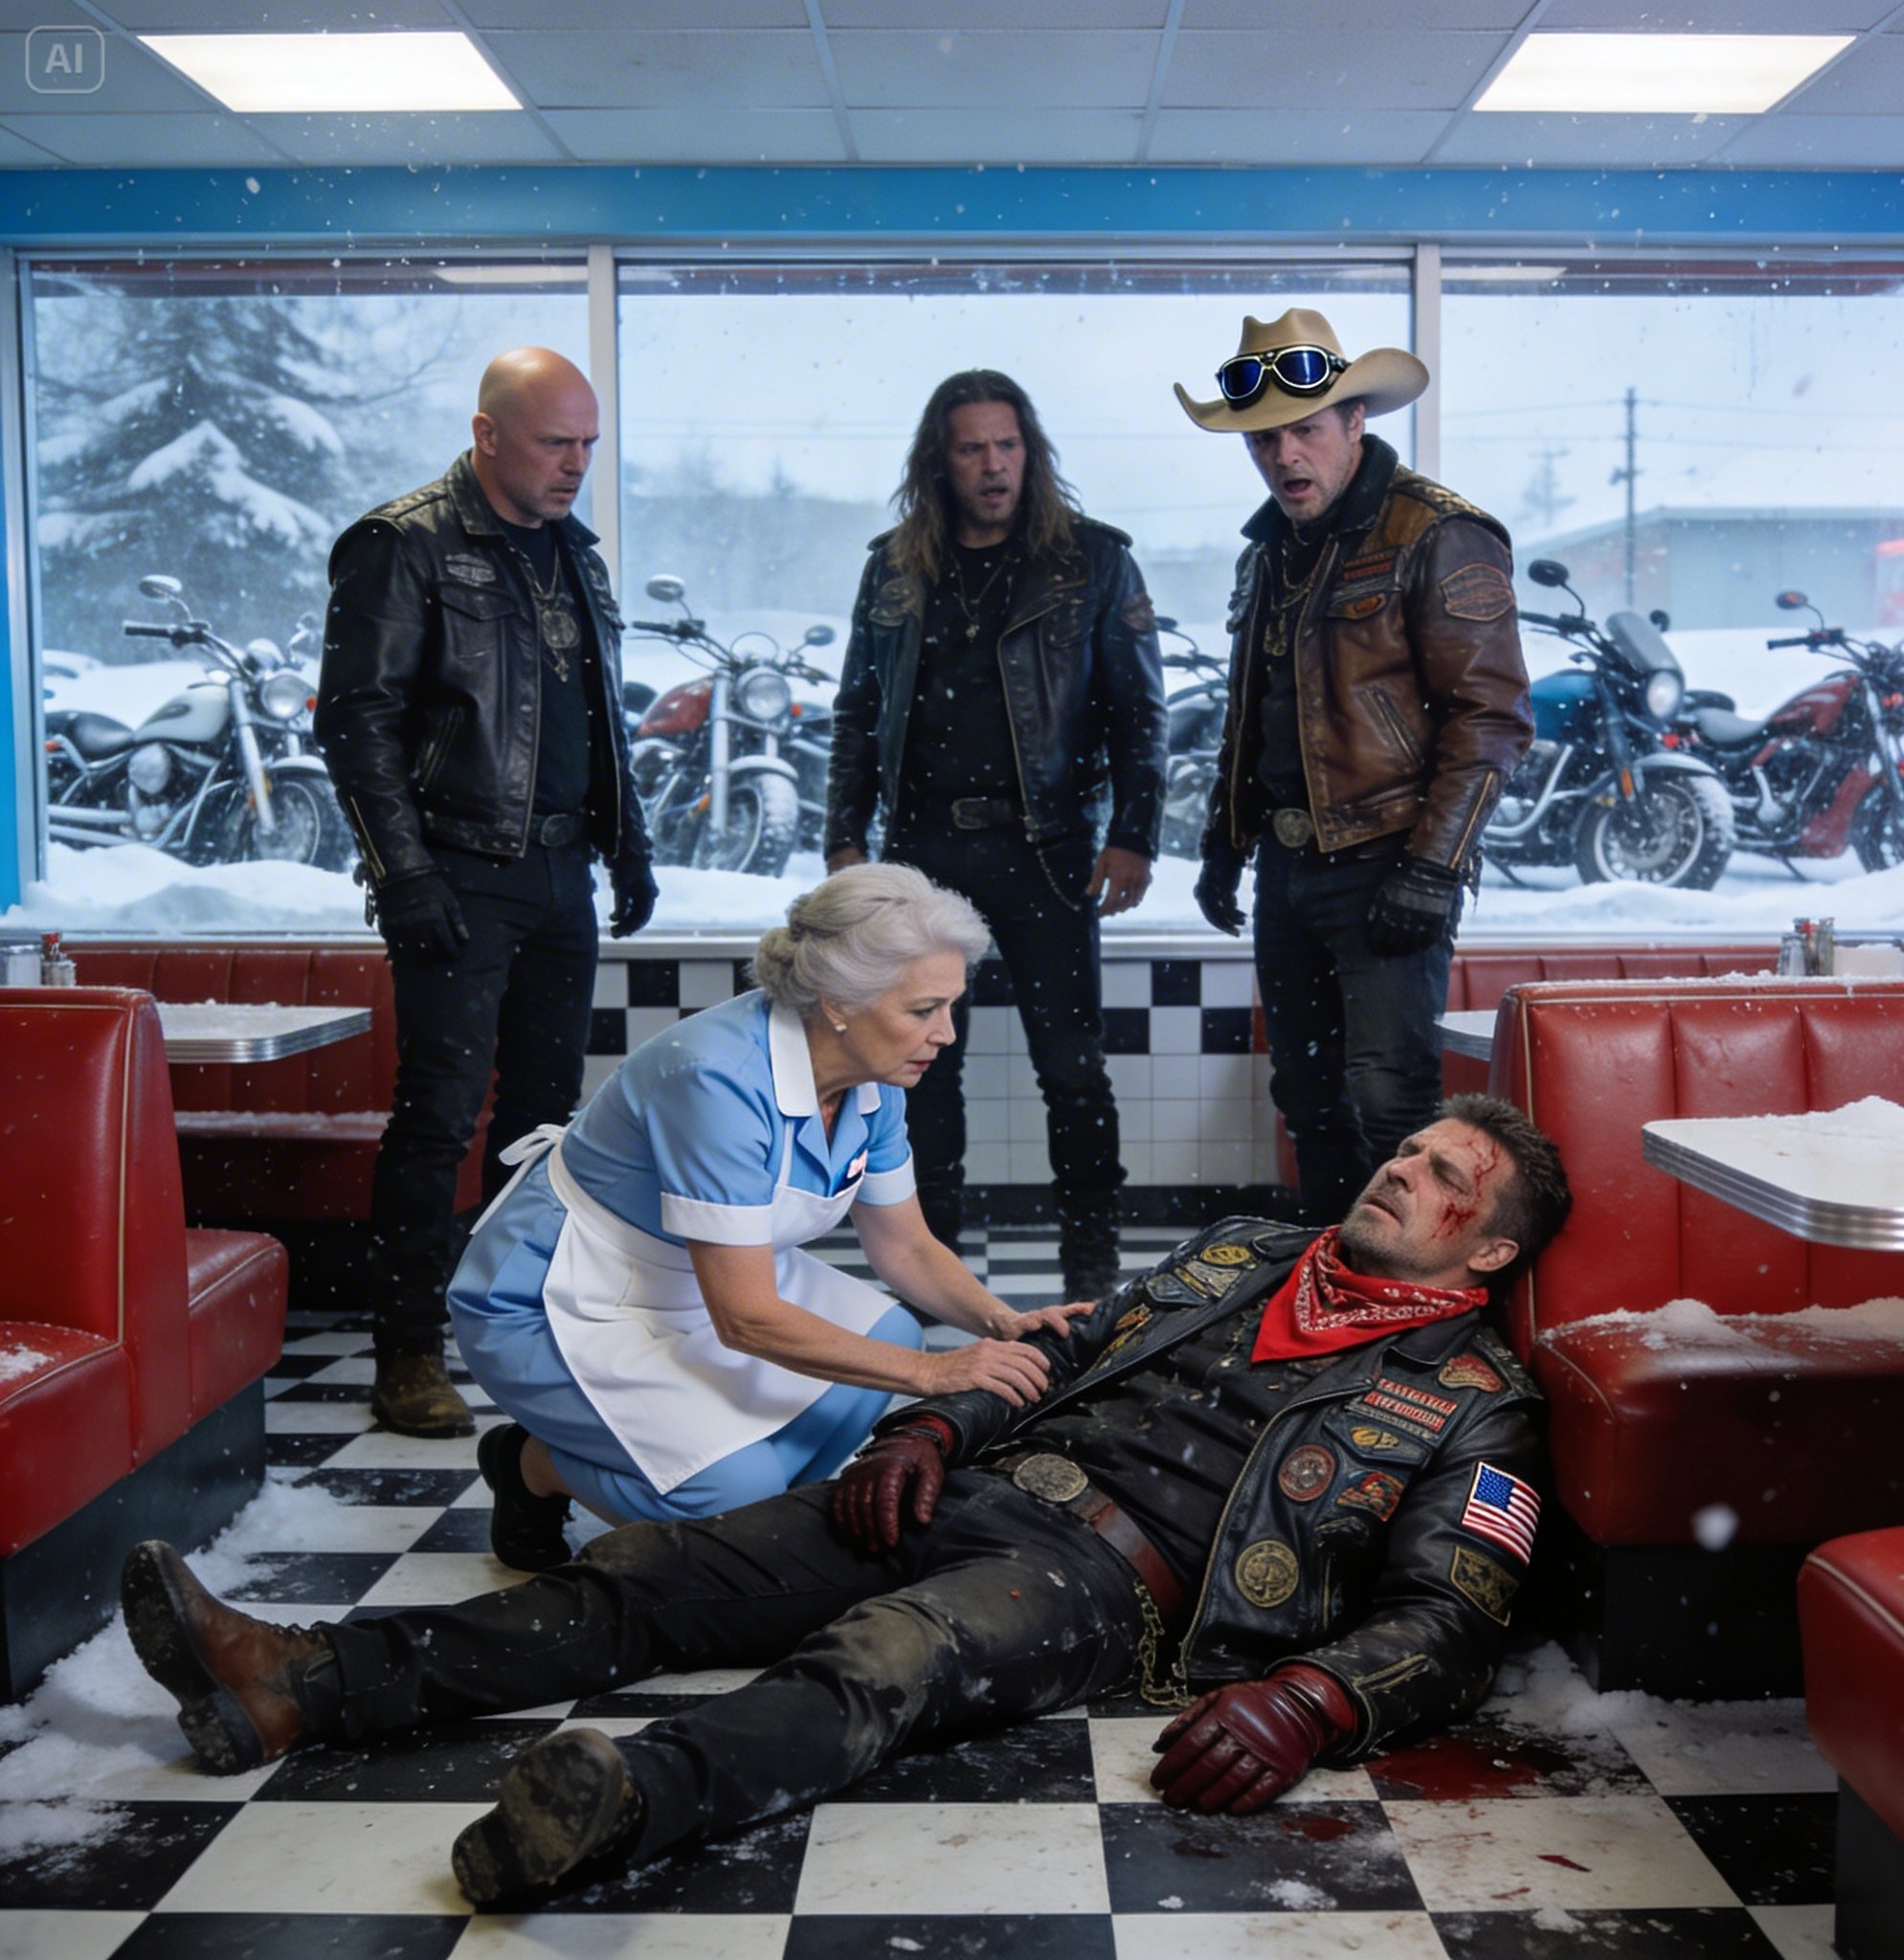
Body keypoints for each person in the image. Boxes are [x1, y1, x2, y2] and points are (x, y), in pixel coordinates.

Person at [122, 1093, 1570, 1911]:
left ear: (1490, 1250)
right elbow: (1057, 1348)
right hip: (977, 1488)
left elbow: (1453, 1619)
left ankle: (622, 1808)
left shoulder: (1475, 1401)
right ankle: (300, 1680)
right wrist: (929, 1422)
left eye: (1444, 1175)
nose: (1400, 1167)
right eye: (1408, 1148)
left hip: (1106, 1583)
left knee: (882, 1661)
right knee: (652, 1572)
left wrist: (1312, 1701)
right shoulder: (1244, 1251)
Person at [451, 861, 1089, 1568]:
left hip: (706, 1281)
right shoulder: (715, 1079)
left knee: (885, 1338)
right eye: (922, 1011)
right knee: (737, 1492)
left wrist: (1002, 1323)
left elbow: (906, 1248)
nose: (945, 1033)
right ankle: (531, 1467)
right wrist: (933, 1373)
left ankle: (752, 1525)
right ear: (838, 1002)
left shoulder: (874, 1079)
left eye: (951, 1007)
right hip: (563, 1299)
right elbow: (747, 1319)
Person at [315, 348, 658, 1439]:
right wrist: (402, 873)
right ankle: (409, 1348)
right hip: (458, 869)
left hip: (561, 870)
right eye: (556, 442)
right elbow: (355, 723)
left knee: (544, 1123)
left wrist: (629, 846)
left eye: (588, 443)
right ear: (487, 434)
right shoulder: (403, 542)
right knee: (439, 1115)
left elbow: (597, 716)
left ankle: (519, 1323)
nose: (576, 464)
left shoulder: (575, 553)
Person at [1176, 310, 1534, 1223]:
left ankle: (1420, 1291)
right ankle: (1335, 1276)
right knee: (1306, 1096)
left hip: (1389, 857)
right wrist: (1225, 843)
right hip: (1288, 863)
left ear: (1355, 421)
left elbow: (1491, 719)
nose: (1285, 455)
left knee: (1390, 1099)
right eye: (1264, 439)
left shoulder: (1437, 532)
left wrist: (1432, 868)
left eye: (1305, 429)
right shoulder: (1268, 554)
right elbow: (1253, 716)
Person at [824, 370, 1167, 1300]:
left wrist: (1134, 834)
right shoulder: (895, 566)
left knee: (1073, 1068)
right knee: (921, 1070)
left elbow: (1141, 713)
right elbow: (856, 710)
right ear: (940, 460)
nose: (992, 465)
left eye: (1007, 445)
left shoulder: (1091, 560)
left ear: (1031, 452)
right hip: (923, 854)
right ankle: (932, 1271)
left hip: (1045, 851)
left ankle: (1090, 1271)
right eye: (972, 447)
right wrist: (843, 840)